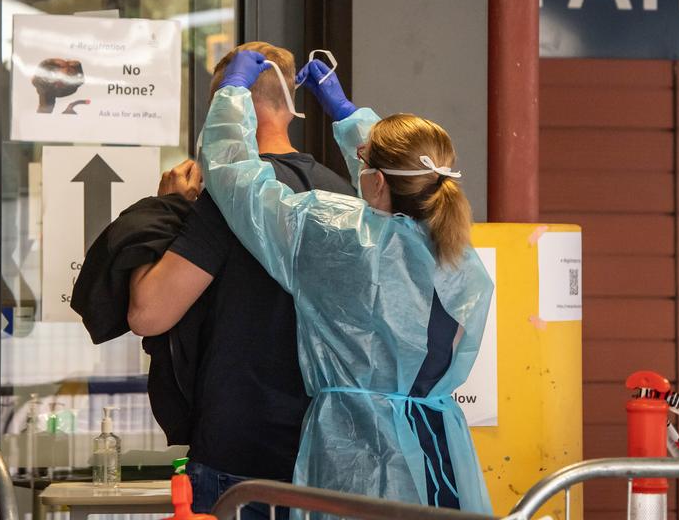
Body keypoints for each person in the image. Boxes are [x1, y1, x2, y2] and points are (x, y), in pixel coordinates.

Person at [197, 51, 494, 514]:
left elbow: (239, 181)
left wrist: (232, 97)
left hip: (354, 448)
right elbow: (398, 186)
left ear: (372, 180)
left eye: (365, 162)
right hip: (438, 449)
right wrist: (350, 116)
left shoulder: (332, 235)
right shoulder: (456, 252)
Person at [127, 42, 353, 517]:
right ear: (289, 104)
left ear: (230, 107)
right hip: (327, 454)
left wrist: (166, 210)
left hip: (239, 457)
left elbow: (149, 313)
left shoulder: (230, 202)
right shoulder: (346, 193)